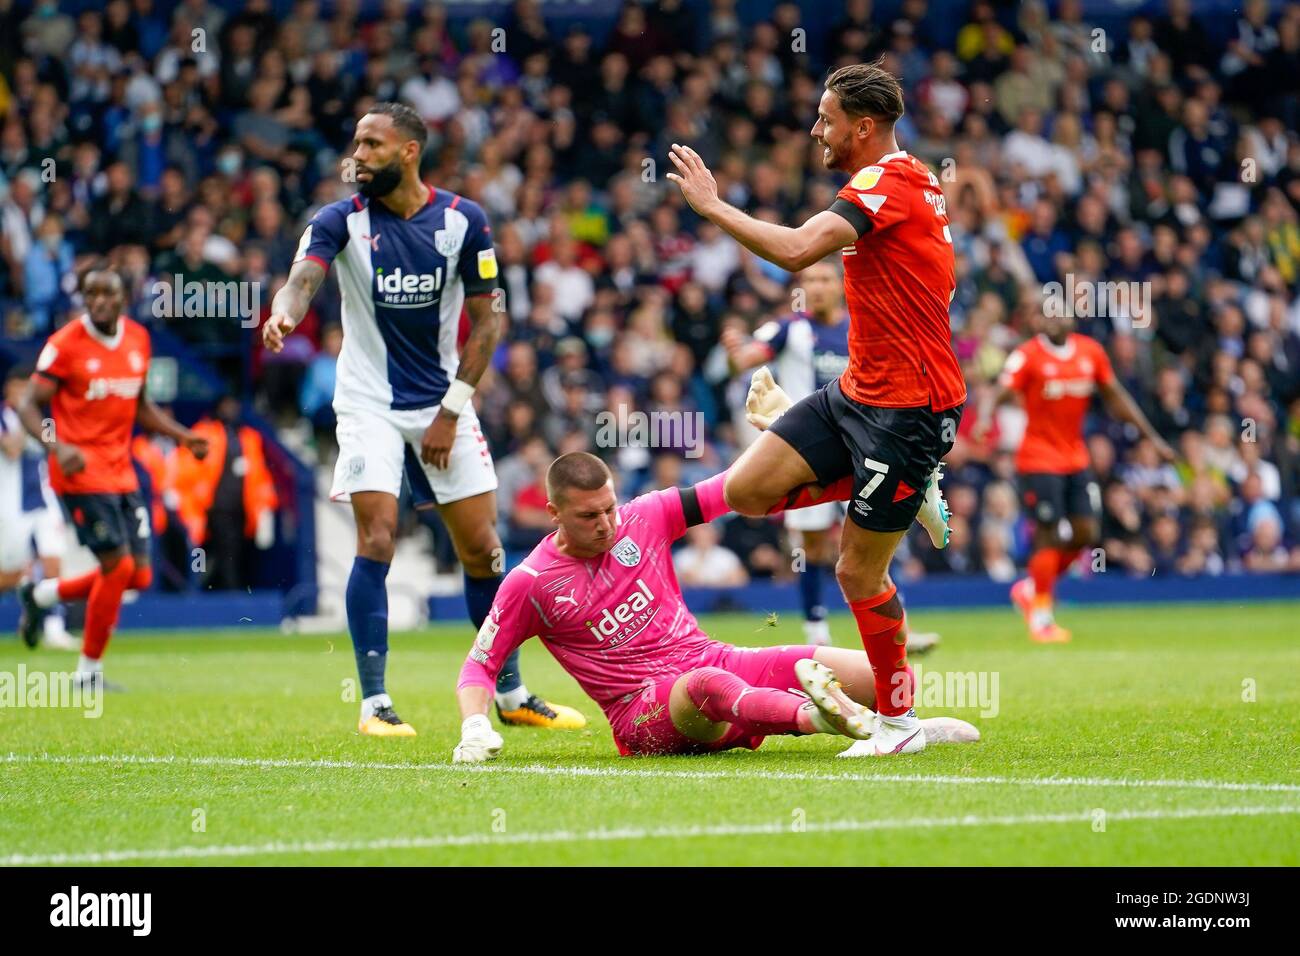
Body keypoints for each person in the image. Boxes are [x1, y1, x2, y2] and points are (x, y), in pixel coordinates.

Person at [667, 60, 962, 755]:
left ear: (862, 127)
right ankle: (905, 487)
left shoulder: (884, 184)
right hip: (858, 392)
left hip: (909, 410)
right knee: (746, 488)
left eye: (826, 118)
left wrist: (712, 208)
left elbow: (799, 252)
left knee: (857, 572)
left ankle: (898, 723)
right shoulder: (907, 179)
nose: (814, 129)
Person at [263, 101, 583, 736]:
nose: (358, 156)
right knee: (377, 537)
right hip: (366, 405)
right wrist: (284, 310)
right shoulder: (337, 220)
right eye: (356, 143)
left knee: (483, 550)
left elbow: (491, 322)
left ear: (409, 151)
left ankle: (512, 693)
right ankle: (374, 703)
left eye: (372, 145)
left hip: (444, 402)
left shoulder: (465, 221)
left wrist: (451, 411)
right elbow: (303, 278)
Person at [454, 452, 979, 763]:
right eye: (590, 515)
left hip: (714, 657)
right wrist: (475, 725)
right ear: (554, 514)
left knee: (881, 673)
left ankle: (900, 725)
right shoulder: (531, 582)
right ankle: (825, 721)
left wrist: (860, 481)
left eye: (610, 507)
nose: (607, 524)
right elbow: (480, 663)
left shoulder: (646, 516)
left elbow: (737, 492)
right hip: (645, 711)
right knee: (705, 686)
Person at [15, 269, 210, 687]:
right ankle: (88, 672)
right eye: (92, 294)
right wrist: (56, 446)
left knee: (137, 574)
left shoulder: (138, 339)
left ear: (126, 297)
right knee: (116, 566)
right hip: (79, 473)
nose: (100, 301)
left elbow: (140, 405)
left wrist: (182, 436)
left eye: (109, 293)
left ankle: (41, 595)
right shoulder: (64, 345)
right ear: (83, 299)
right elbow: (29, 405)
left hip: (121, 473)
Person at [973, 310, 1176, 642]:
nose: (1052, 320)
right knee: (1048, 533)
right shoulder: (1027, 355)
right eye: (1044, 314)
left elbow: (1116, 397)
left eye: (1059, 313)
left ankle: (1030, 587)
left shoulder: (1090, 352)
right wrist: (984, 419)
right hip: (1038, 459)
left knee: (1085, 532)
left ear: (1072, 317)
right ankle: (1041, 615)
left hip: (1075, 458)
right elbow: (998, 390)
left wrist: (1152, 438)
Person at [0, 366, 75, 649]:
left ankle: (55, 628)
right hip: (11, 506)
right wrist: (23, 419)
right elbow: (12, 449)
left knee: (54, 562)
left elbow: (55, 447)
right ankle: (28, 599)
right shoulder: (5, 418)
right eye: (18, 388)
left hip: (44, 500)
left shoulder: (43, 418)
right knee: (9, 574)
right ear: (8, 389)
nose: (22, 394)